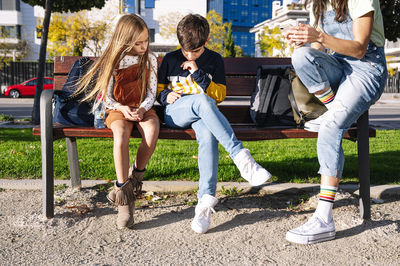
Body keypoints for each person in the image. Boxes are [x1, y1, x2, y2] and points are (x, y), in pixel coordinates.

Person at [157, 14, 272, 234]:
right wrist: (165, 96)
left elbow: (219, 95)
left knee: (208, 133)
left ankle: (204, 203)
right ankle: (241, 158)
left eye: (196, 51)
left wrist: (199, 74)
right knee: (201, 100)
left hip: (204, 117)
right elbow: (158, 90)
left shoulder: (214, 60)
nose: (190, 55)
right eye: (185, 50)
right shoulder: (170, 59)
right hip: (175, 113)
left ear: (206, 42)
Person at [284, 0, 387, 244]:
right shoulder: (318, 3)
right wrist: (306, 41)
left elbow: (360, 48)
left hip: (367, 68)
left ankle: (323, 218)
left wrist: (318, 34)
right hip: (338, 63)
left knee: (330, 127)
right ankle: (332, 110)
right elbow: (319, 49)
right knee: (301, 56)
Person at [75, 14, 159, 229]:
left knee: (152, 130)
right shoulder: (112, 59)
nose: (143, 46)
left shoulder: (150, 59)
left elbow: (151, 93)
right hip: (117, 109)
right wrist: (122, 108)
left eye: (146, 40)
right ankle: (124, 195)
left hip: (142, 107)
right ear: (124, 40)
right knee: (120, 134)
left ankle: (135, 180)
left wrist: (142, 108)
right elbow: (106, 97)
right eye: (138, 43)